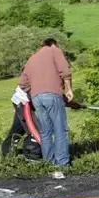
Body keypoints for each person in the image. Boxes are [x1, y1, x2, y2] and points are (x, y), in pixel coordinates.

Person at [18, 37, 73, 168]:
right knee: (60, 130)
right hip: (53, 96)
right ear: (54, 44)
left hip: (37, 98)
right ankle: (63, 163)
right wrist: (69, 90)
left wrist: (35, 92)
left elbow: (22, 83)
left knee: (45, 131)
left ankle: (49, 162)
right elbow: (65, 71)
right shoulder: (54, 51)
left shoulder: (32, 58)